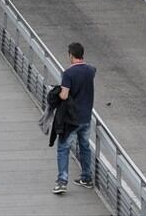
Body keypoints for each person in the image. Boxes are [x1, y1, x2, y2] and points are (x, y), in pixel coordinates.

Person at [53, 42, 97, 195]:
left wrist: (56, 93)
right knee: (84, 146)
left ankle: (62, 182)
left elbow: (64, 95)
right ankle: (86, 178)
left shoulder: (68, 73)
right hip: (86, 118)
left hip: (71, 119)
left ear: (71, 55)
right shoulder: (91, 70)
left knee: (63, 148)